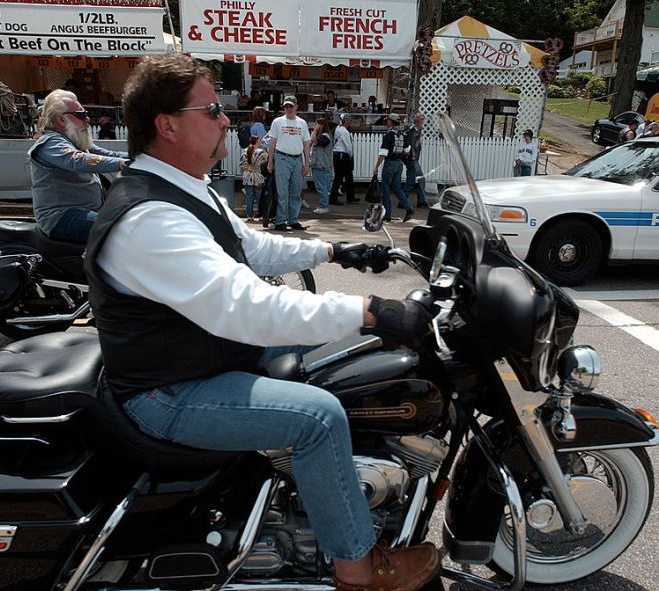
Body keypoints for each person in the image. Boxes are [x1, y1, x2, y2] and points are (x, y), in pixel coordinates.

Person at [83, 53, 441, 591]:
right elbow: (247, 307)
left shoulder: (187, 188)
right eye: (211, 110)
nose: (225, 119)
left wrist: (334, 251)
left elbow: (250, 246)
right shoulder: (150, 217)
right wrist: (370, 310)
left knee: (343, 362)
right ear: (167, 125)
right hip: (167, 391)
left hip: (200, 359)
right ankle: (359, 571)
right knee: (319, 417)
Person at [28, 89, 128, 243]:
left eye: (86, 113)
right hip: (61, 217)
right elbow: (77, 160)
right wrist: (121, 164)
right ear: (61, 119)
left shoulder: (75, 140)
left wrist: (140, 157)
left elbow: (108, 154)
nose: (87, 119)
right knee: (119, 229)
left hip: (86, 211)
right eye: (81, 115)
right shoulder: (50, 143)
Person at [267, 95, 310, 232]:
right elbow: (272, 142)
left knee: (296, 192)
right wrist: (270, 161)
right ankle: (280, 221)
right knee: (282, 192)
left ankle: (293, 219)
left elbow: (306, 144)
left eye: (291, 106)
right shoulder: (277, 122)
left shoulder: (302, 123)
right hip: (282, 158)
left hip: (297, 159)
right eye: (286, 106)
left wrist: (306, 163)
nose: (289, 109)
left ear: (296, 107)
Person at [373, 113, 413, 223]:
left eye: (388, 120)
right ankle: (408, 208)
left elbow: (383, 153)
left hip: (389, 163)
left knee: (385, 189)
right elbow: (407, 150)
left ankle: (387, 215)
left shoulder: (388, 136)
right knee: (397, 188)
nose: (387, 122)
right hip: (399, 164)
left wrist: (376, 167)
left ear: (391, 122)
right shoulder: (402, 135)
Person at [329, 112, 357, 206]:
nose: (350, 122)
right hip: (342, 154)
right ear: (345, 121)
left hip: (338, 154)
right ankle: (334, 198)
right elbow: (348, 145)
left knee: (345, 176)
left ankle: (350, 196)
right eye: (349, 120)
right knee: (340, 177)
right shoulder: (344, 131)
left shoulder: (338, 128)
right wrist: (350, 155)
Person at [403, 113, 430, 206]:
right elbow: (410, 145)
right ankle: (418, 200)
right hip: (412, 159)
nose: (423, 122)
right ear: (419, 121)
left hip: (412, 159)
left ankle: (405, 200)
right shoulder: (414, 131)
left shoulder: (416, 130)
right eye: (422, 120)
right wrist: (413, 157)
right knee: (416, 180)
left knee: (411, 179)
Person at [240, 135, 268, 222]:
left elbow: (242, 165)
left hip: (247, 176)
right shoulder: (261, 152)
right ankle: (260, 214)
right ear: (257, 141)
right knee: (260, 197)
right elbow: (266, 162)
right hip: (258, 176)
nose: (261, 142)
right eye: (259, 141)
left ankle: (249, 215)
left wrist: (244, 175)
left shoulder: (245, 151)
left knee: (249, 197)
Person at [310, 118, 334, 214]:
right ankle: (323, 205)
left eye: (317, 124)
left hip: (321, 165)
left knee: (322, 187)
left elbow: (315, 141)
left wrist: (315, 131)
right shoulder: (324, 136)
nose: (315, 126)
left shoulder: (325, 137)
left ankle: (323, 206)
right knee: (323, 187)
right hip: (320, 165)